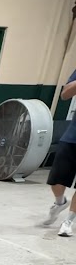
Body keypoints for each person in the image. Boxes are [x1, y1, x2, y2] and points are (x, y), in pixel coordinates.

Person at [46, 67, 76, 236]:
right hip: (73, 135)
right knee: (56, 178)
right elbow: (65, 94)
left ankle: (69, 221)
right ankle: (60, 202)